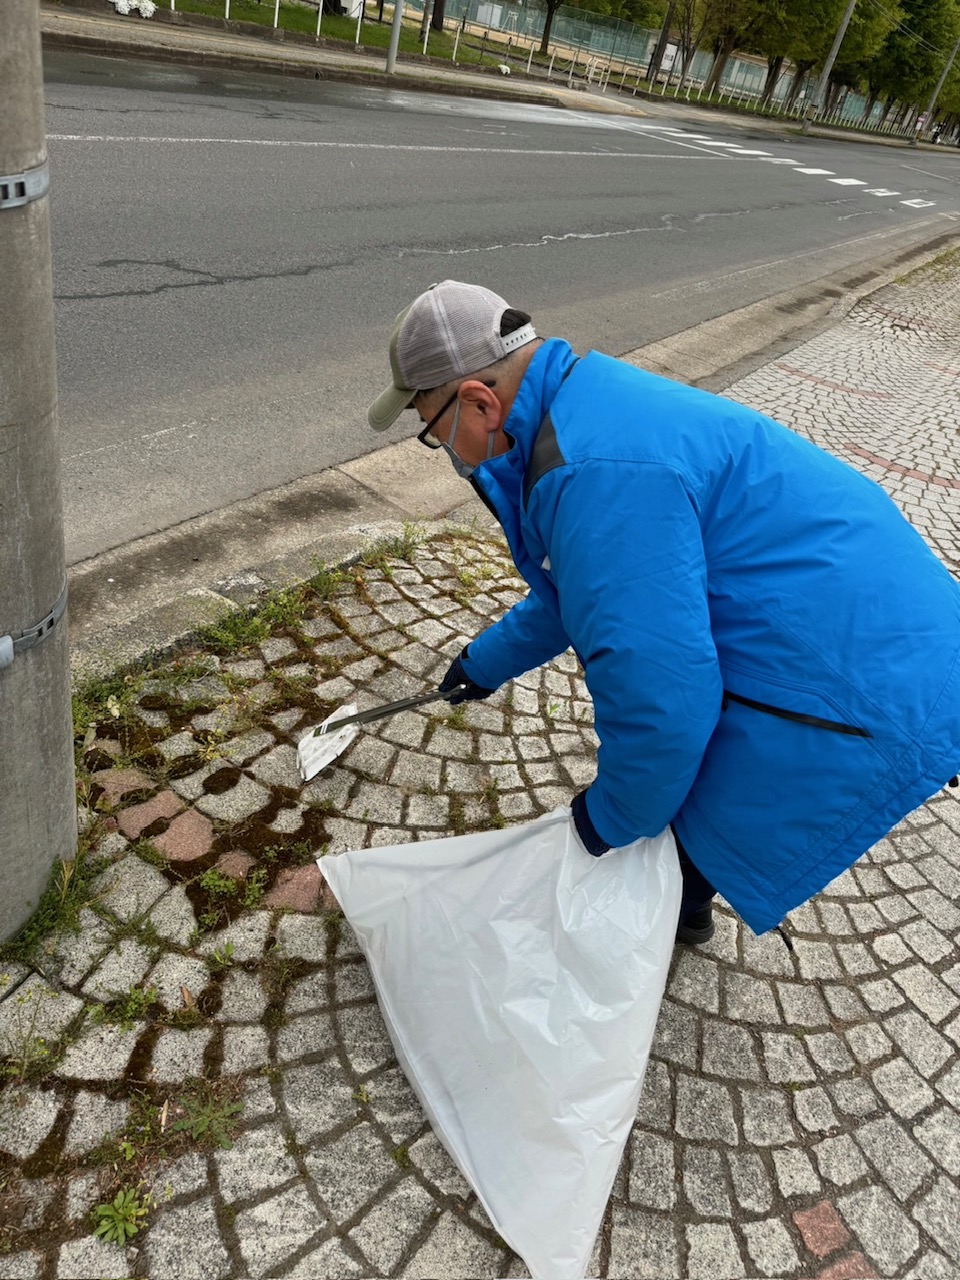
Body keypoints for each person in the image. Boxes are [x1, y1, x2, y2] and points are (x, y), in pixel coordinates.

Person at [367, 280, 960, 944]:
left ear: (479, 401)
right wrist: (484, 663)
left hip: (865, 680)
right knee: (684, 814)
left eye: (432, 429)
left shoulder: (589, 472)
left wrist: (607, 821)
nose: (444, 448)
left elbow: (665, 703)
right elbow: (584, 593)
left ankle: (643, 944)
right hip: (884, 629)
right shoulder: (588, 406)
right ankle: (675, 914)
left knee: (683, 822)